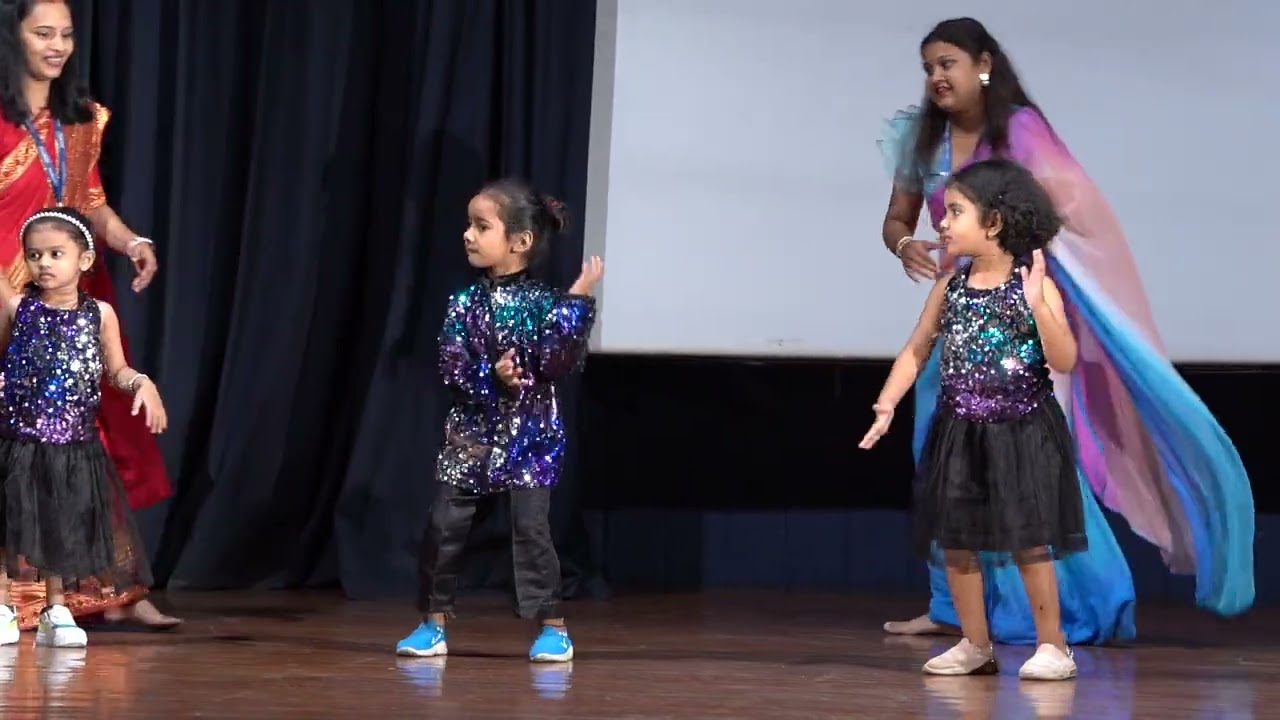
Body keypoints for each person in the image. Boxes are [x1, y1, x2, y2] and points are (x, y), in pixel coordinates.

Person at [876, 17, 1254, 644]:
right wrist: (904, 246)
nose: (937, 77)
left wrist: (1024, 280)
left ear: (984, 65)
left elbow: (1069, 220)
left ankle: (1081, 604)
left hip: (1019, 322)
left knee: (1025, 466)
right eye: (928, 68)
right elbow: (896, 217)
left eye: (948, 63)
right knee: (936, 458)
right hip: (959, 317)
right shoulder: (923, 140)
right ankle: (950, 608)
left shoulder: (1020, 130)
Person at [862, 159, 1082, 679]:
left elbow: (1066, 358)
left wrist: (1039, 307)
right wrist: (887, 402)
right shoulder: (951, 288)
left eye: (954, 212)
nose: (941, 223)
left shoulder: (1033, 283)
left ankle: (1054, 646)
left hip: (1022, 428)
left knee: (1029, 539)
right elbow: (916, 351)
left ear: (994, 222)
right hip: (960, 430)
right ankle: (974, 643)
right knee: (957, 541)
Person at [0, 0, 176, 630]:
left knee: (82, 443)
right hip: (8, 302)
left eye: (67, 34)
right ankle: (14, 598)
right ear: (12, 35)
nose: (57, 45)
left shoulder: (79, 120)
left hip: (63, 301)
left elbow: (92, 203)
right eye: (42, 32)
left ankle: (107, 592)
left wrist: (130, 243)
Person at [395, 179, 602, 663]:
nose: (467, 235)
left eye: (481, 226)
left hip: (530, 435)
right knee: (443, 525)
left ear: (520, 241)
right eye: (469, 225)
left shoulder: (545, 303)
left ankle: (552, 627)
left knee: (531, 530)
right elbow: (452, 364)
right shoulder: (464, 304)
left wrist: (575, 299)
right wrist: (494, 375)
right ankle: (432, 623)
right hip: (470, 435)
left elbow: (557, 363)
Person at [0, 207, 167, 648]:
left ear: (84, 260)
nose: (44, 264)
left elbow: (117, 370)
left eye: (56, 253)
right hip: (19, 439)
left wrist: (141, 383)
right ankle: (4, 608)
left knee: (62, 527)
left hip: (73, 444)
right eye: (35, 255)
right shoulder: (18, 309)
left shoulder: (100, 315)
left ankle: (57, 610)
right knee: (11, 524)